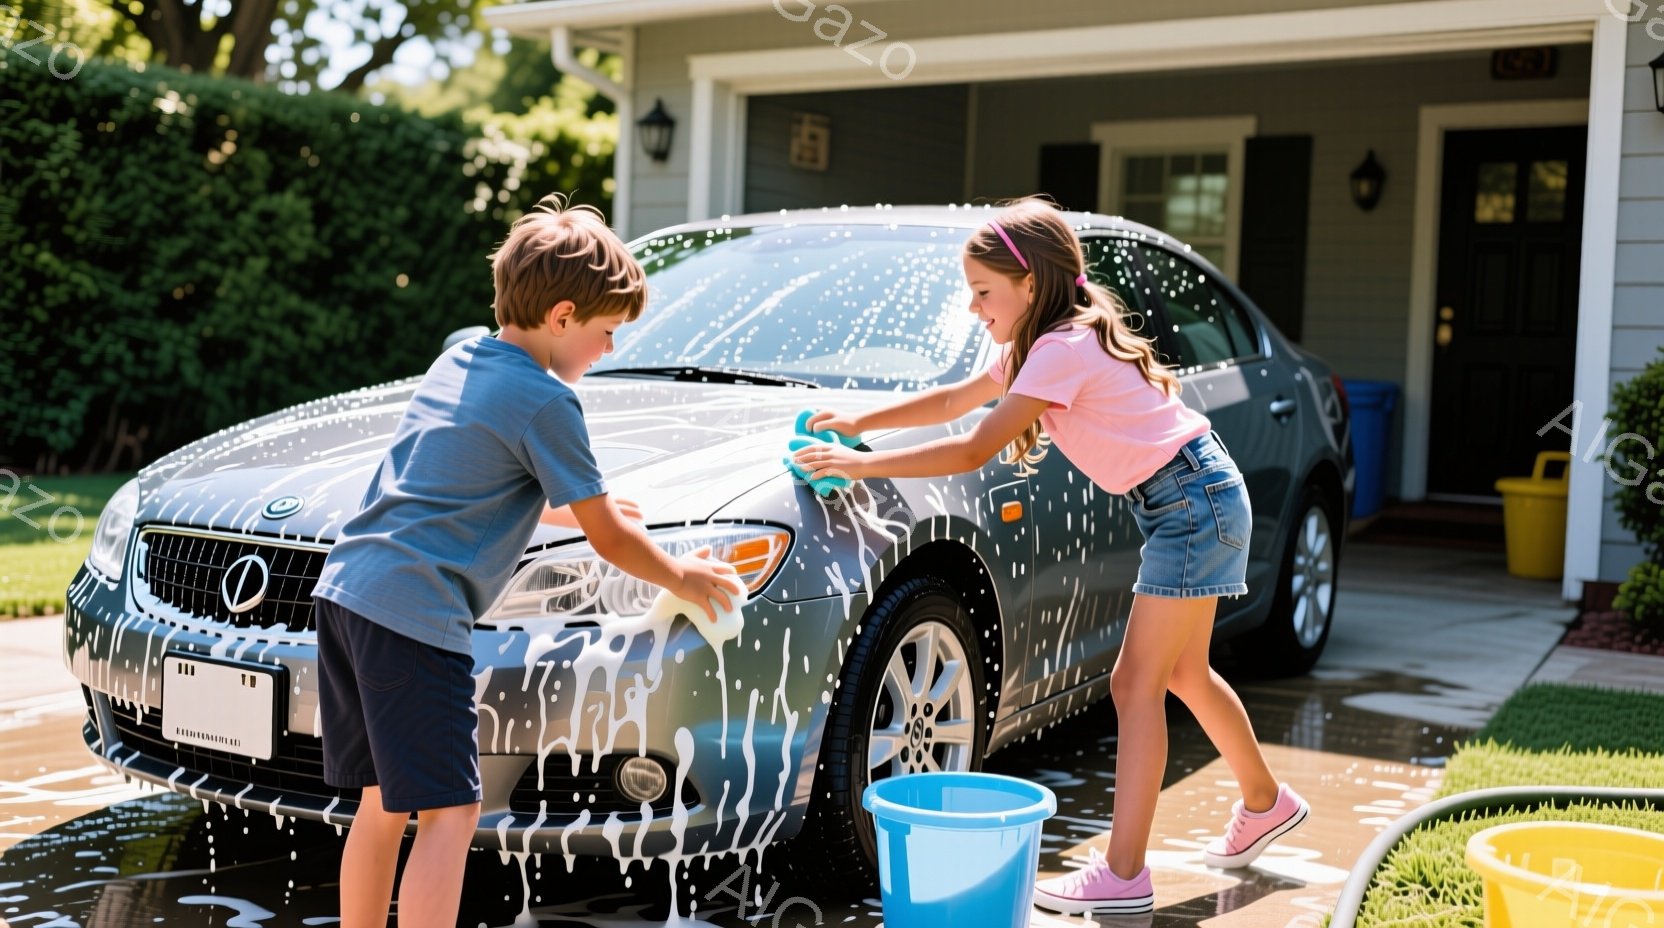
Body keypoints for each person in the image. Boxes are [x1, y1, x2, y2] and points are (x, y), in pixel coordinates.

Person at [792, 197, 1308, 915]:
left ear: (1028, 284)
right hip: (1197, 495)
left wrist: (858, 467)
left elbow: (974, 445)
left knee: (1134, 686)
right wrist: (860, 421)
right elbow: (956, 401)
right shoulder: (1044, 343)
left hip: (1192, 504)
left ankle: (1125, 873)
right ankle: (1265, 802)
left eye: (983, 292)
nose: (974, 308)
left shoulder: (1062, 348)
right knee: (1185, 671)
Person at [311, 194, 744, 928]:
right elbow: (609, 540)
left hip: (348, 594)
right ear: (564, 317)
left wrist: (560, 505)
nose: (610, 351)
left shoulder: (460, 358)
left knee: (382, 802)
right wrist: (684, 576)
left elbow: (451, 473)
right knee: (452, 810)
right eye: (607, 333)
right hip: (415, 615)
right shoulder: (548, 401)